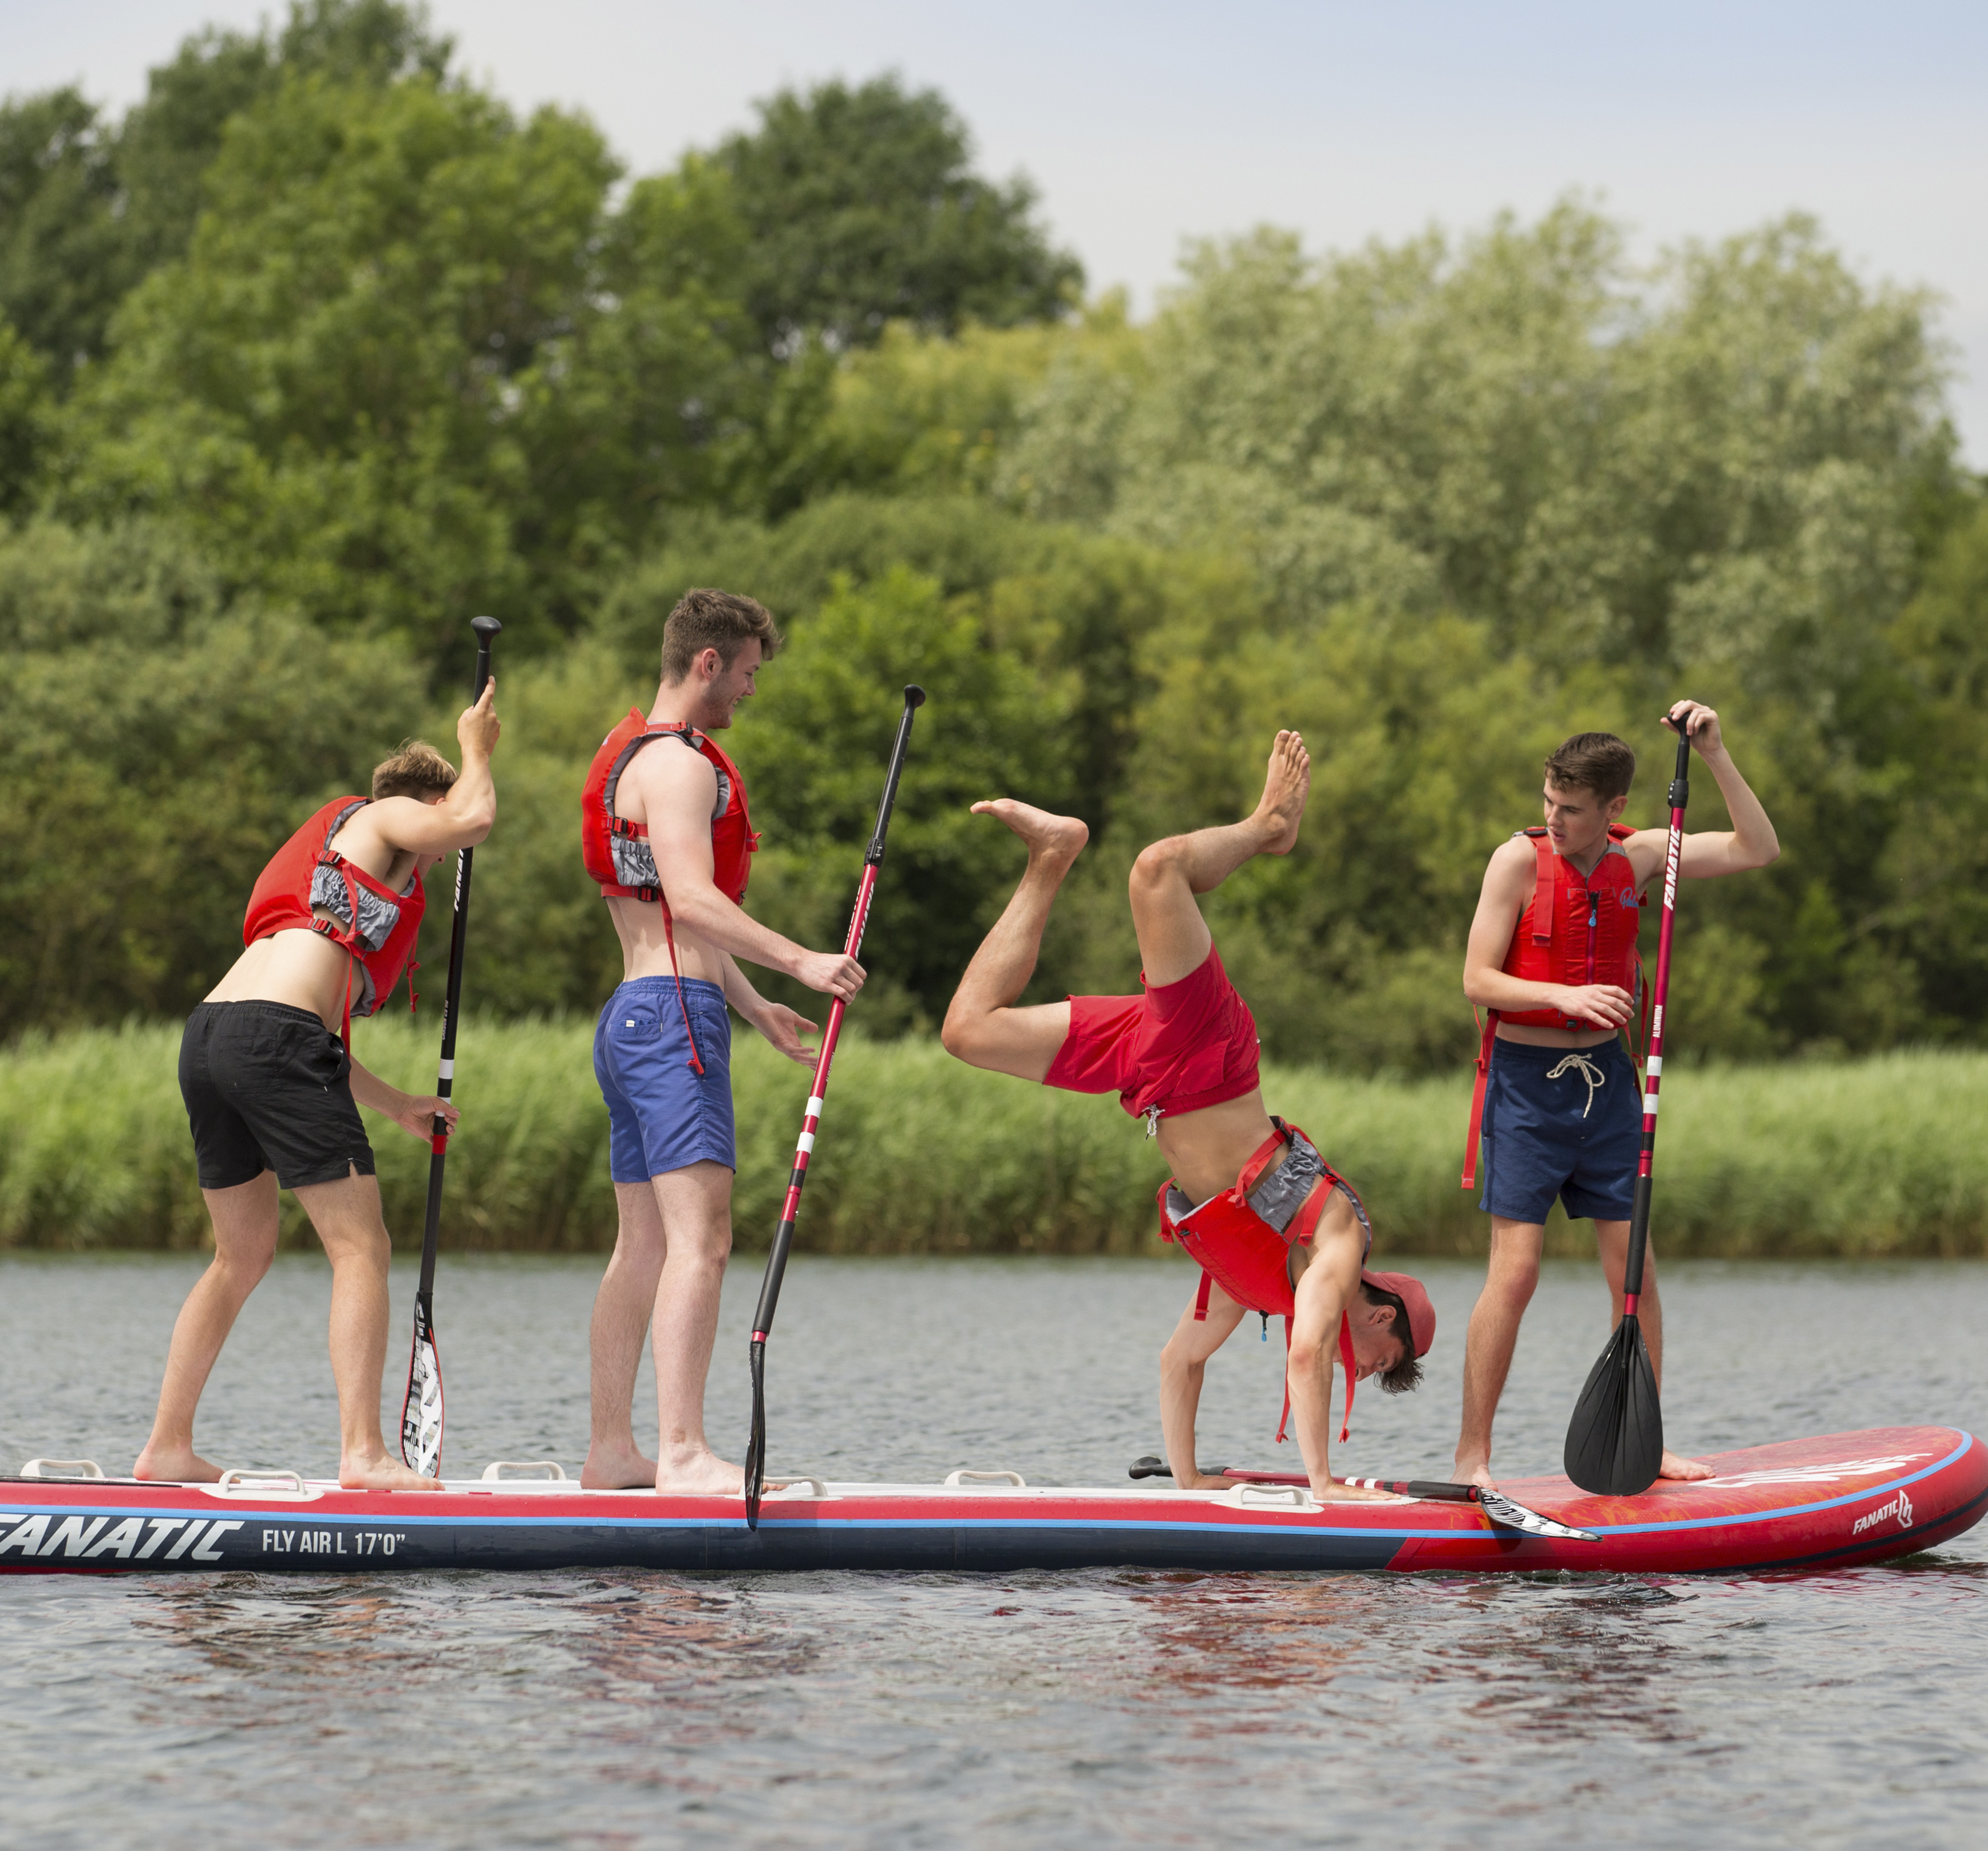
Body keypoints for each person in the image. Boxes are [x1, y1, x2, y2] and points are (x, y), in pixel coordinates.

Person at [938, 730, 1437, 1501]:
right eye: (1384, 1363)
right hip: (1209, 1057)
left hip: (1150, 1074)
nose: (1364, 1372)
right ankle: (1270, 828)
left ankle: (1052, 856)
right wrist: (1324, 1487)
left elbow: (1182, 1360)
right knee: (1157, 869)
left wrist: (1188, 1480)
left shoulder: (1259, 1275)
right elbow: (1305, 1358)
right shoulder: (1340, 1240)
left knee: (967, 1030)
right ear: (1388, 1317)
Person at [133, 679, 500, 1491]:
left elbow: (316, 1039)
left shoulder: (341, 882)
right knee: (361, 1247)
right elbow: (471, 819)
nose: (440, 857)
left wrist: (398, 1101)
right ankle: (364, 1453)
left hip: (213, 1035)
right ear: (424, 798)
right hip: (268, 1035)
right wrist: (476, 746)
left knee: (242, 1254)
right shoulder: (386, 814)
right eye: (434, 834)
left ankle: (166, 1447)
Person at [1448, 701, 1780, 1492]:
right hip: (1528, 1092)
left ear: (1613, 809)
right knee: (1517, 1270)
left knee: (1634, 1270)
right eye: (1548, 804)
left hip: (1608, 1094)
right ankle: (1472, 1458)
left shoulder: (1641, 857)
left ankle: (1645, 1442)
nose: (1553, 819)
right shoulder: (1517, 863)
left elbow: (1756, 848)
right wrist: (1565, 999)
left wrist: (1717, 755)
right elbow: (1475, 979)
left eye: (1570, 809)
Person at [580, 589, 865, 1494]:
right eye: (744, 674)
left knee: (643, 1248)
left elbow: (668, 918)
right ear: (706, 662)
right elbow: (696, 900)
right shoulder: (682, 768)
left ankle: (611, 1451)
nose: (747, 692)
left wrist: (752, 1004)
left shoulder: (629, 758)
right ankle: (683, 1453)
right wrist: (801, 961)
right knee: (700, 1243)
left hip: (633, 1015)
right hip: (672, 1027)